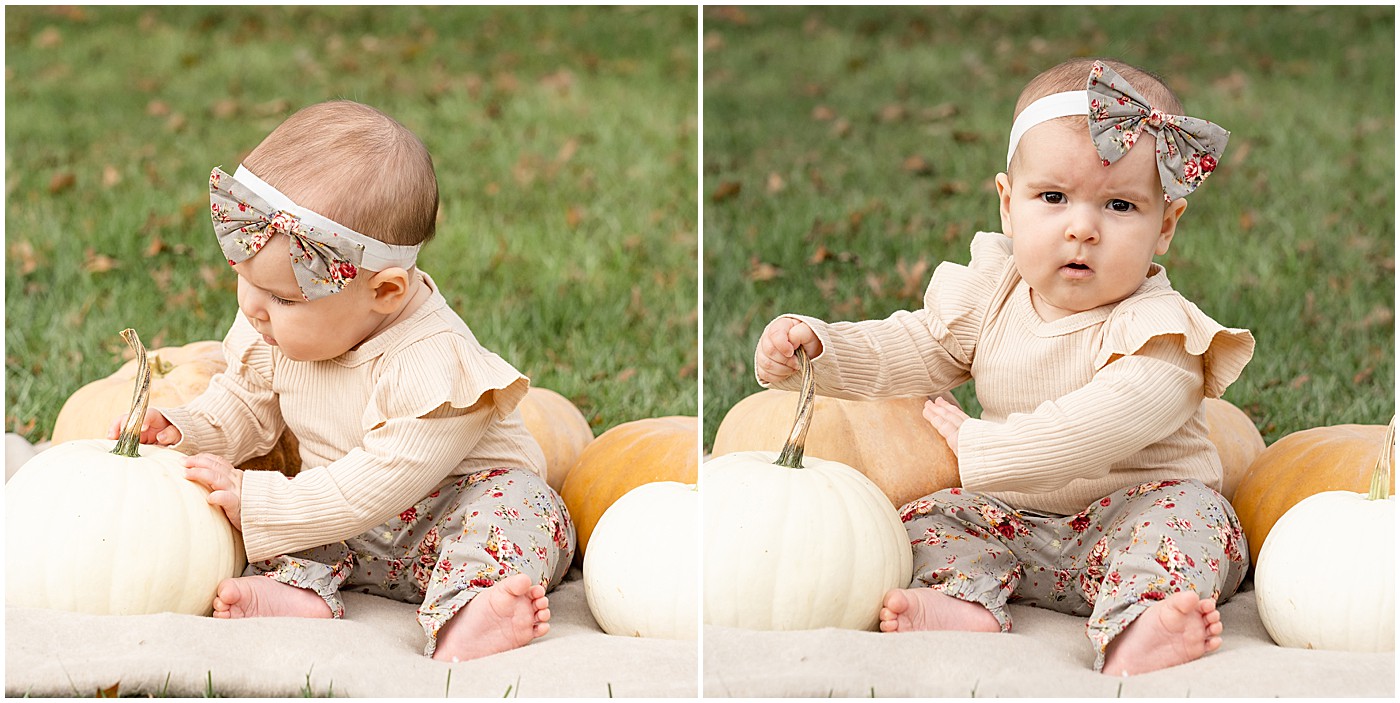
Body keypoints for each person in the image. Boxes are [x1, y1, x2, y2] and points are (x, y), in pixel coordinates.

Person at [754, 58, 1253, 677]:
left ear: (1165, 227)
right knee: (918, 520)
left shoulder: (1162, 332)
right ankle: (966, 602)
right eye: (1053, 197)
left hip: (1134, 516)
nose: (1082, 228)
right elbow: (916, 344)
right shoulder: (993, 295)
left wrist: (980, 444)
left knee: (1197, 522)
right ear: (1008, 206)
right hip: (1014, 524)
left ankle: (1143, 622)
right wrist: (824, 350)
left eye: (1120, 205)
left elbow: (1098, 426)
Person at [111, 100, 574, 663]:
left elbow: (373, 485)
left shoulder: (432, 362)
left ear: (386, 292)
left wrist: (263, 504)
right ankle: (300, 590)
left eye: (283, 298)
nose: (253, 309)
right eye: (244, 280)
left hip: (448, 516)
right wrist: (183, 430)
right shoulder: (277, 325)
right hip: (338, 522)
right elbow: (244, 405)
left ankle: (471, 608)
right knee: (288, 514)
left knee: (525, 508)